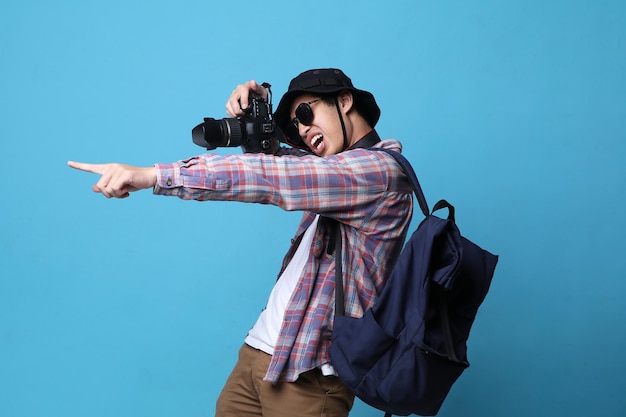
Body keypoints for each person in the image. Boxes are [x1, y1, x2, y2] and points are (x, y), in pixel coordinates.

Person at [68, 68, 414, 417]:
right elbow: (279, 159)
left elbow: (273, 177)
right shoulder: (336, 169)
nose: (304, 131)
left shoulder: (378, 172)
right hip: (261, 353)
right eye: (296, 125)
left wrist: (153, 175)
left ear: (344, 100)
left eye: (306, 114)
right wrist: (260, 116)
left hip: (308, 375)